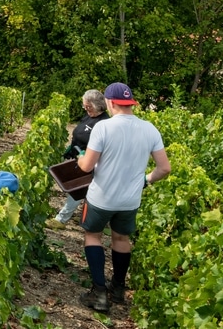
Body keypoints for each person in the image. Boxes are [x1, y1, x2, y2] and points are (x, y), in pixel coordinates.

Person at [76, 82, 170, 312]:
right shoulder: (150, 129)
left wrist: (79, 158)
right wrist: (145, 180)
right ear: (130, 103)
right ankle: (118, 288)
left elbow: (87, 166)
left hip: (102, 197)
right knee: (121, 240)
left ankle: (99, 293)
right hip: (130, 200)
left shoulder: (104, 128)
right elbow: (164, 168)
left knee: (93, 236)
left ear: (110, 102)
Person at [47, 90, 110, 230]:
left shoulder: (104, 123)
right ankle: (86, 215)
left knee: (77, 189)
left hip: (91, 161)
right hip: (78, 157)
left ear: (97, 106)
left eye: (88, 107)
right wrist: (72, 146)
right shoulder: (89, 116)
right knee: (82, 189)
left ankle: (61, 219)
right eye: (85, 106)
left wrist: (86, 155)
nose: (86, 109)